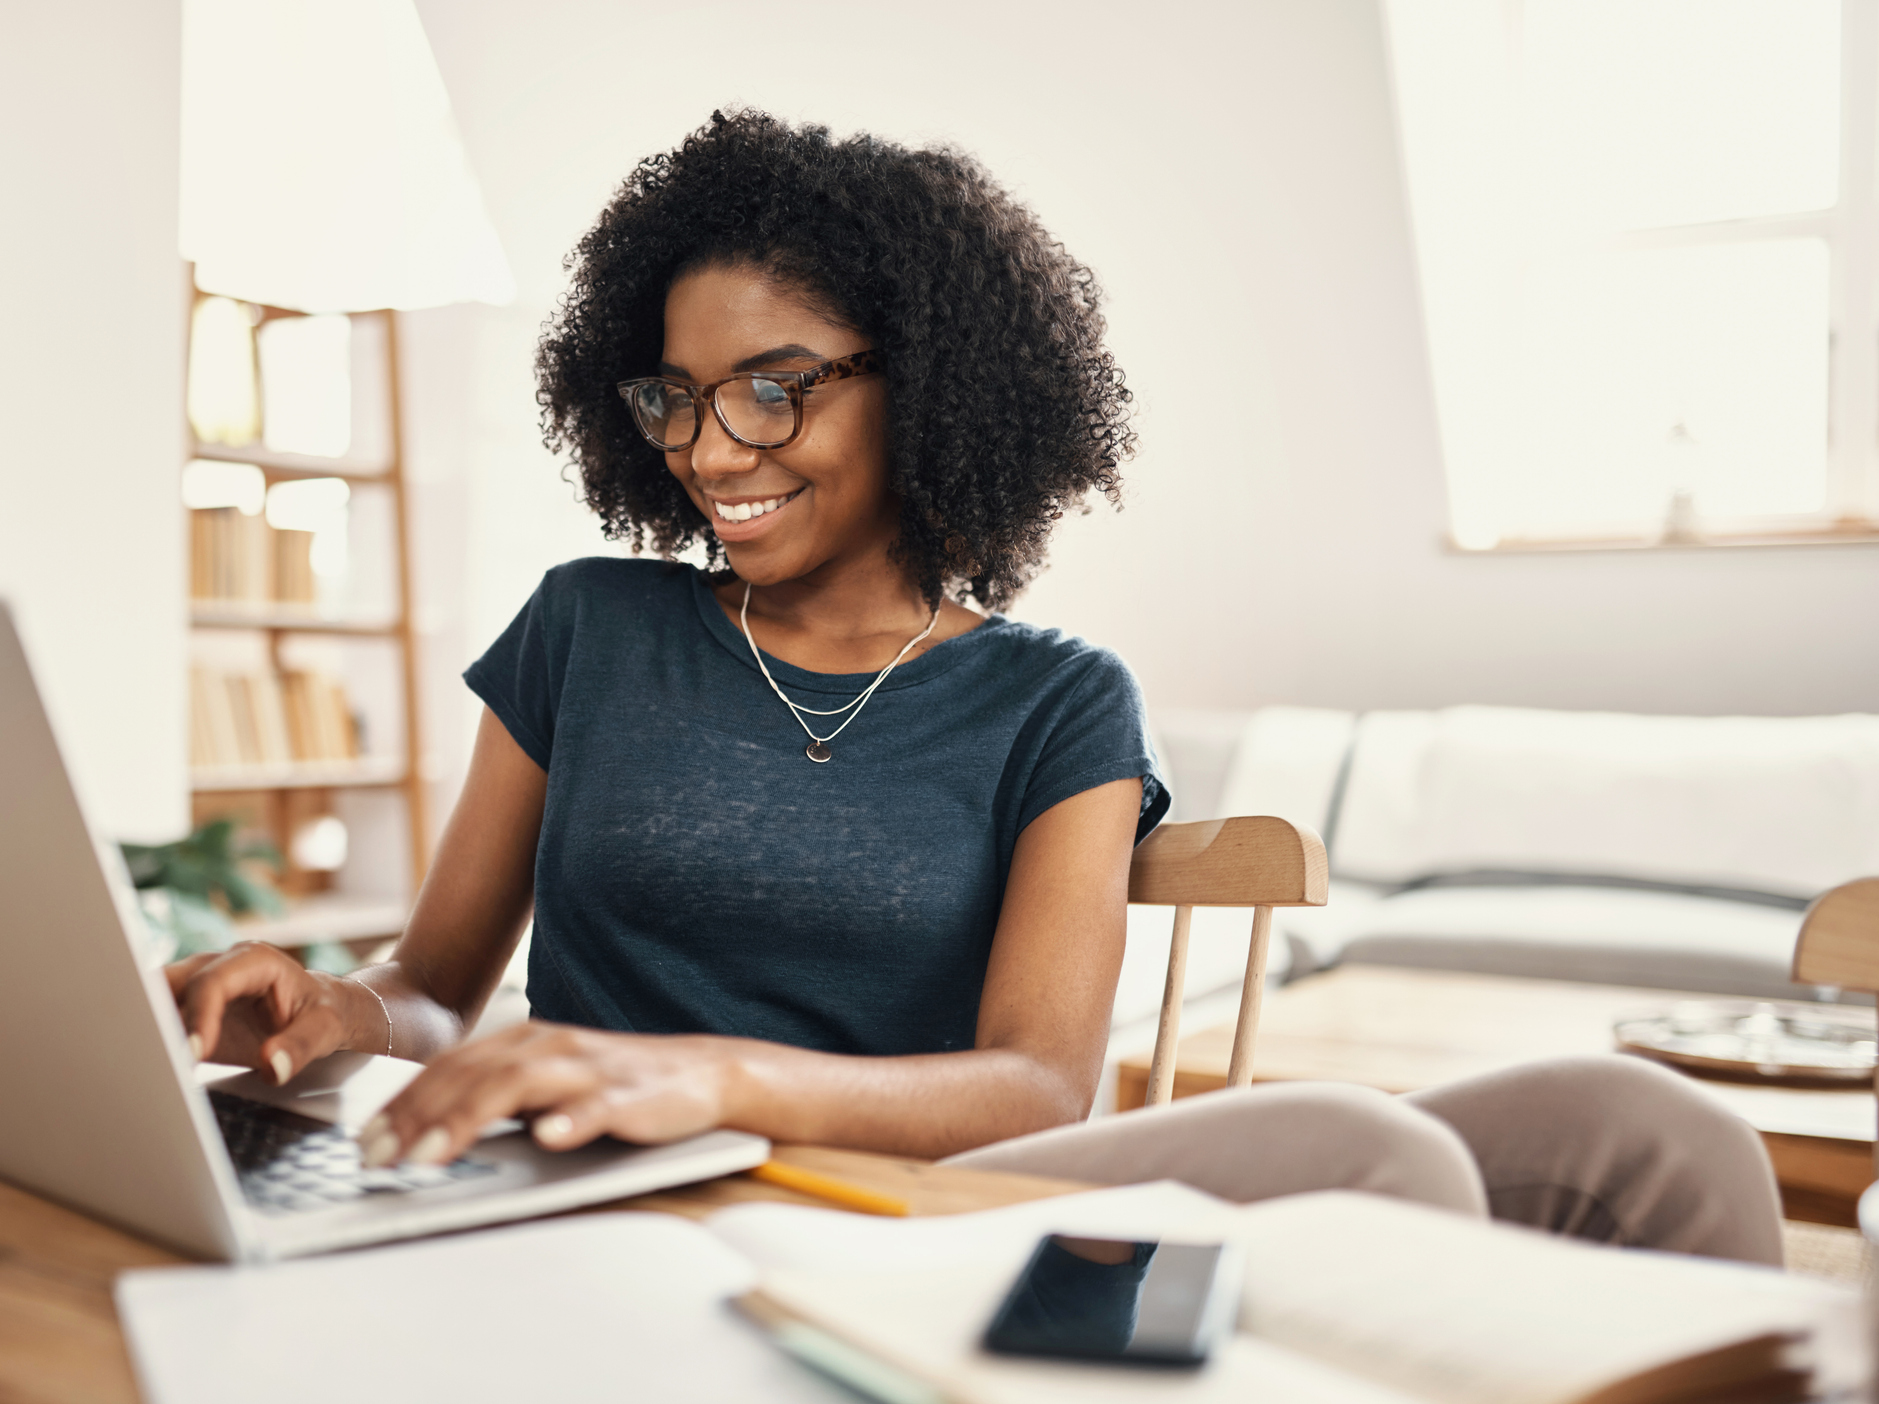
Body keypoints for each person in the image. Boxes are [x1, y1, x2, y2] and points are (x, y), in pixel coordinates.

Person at [168, 110, 1784, 1265]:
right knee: (1378, 1155)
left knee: (1656, 1134)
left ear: (925, 387)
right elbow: (440, 986)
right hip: (667, 1220)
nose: (712, 449)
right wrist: (336, 1011)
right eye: (677, 395)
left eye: (775, 390)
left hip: (932, 1188)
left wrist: (705, 1068)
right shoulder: (588, 627)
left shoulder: (1057, 698)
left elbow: (1034, 1084)